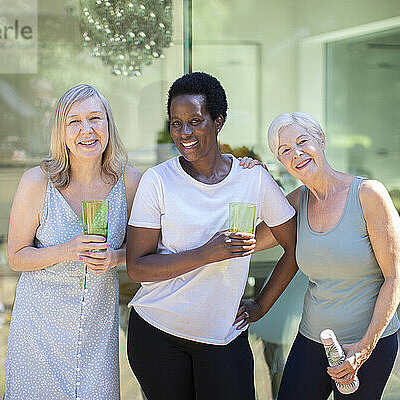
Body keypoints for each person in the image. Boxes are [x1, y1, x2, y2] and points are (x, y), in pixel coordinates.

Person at [125, 72, 299, 400]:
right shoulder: (157, 181)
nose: (185, 133)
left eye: (195, 121)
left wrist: (261, 305)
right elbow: (137, 267)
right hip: (157, 332)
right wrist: (207, 253)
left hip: (223, 336)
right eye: (176, 123)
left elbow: (293, 246)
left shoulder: (253, 179)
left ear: (218, 122)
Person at [246, 111, 400, 399]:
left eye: (302, 141)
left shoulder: (369, 195)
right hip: (312, 339)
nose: (296, 153)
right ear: (282, 162)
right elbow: (249, 242)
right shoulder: (297, 201)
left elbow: (396, 278)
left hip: (368, 343)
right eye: (285, 151)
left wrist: (364, 348)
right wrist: (250, 178)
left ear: (320, 139)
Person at [4, 84, 141, 400]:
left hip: (96, 325)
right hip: (39, 327)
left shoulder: (130, 181)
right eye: (74, 121)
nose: (87, 130)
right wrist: (67, 249)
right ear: (61, 132)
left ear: (108, 124)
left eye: (95, 118)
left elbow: (140, 251)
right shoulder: (37, 182)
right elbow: (16, 256)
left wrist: (116, 257)